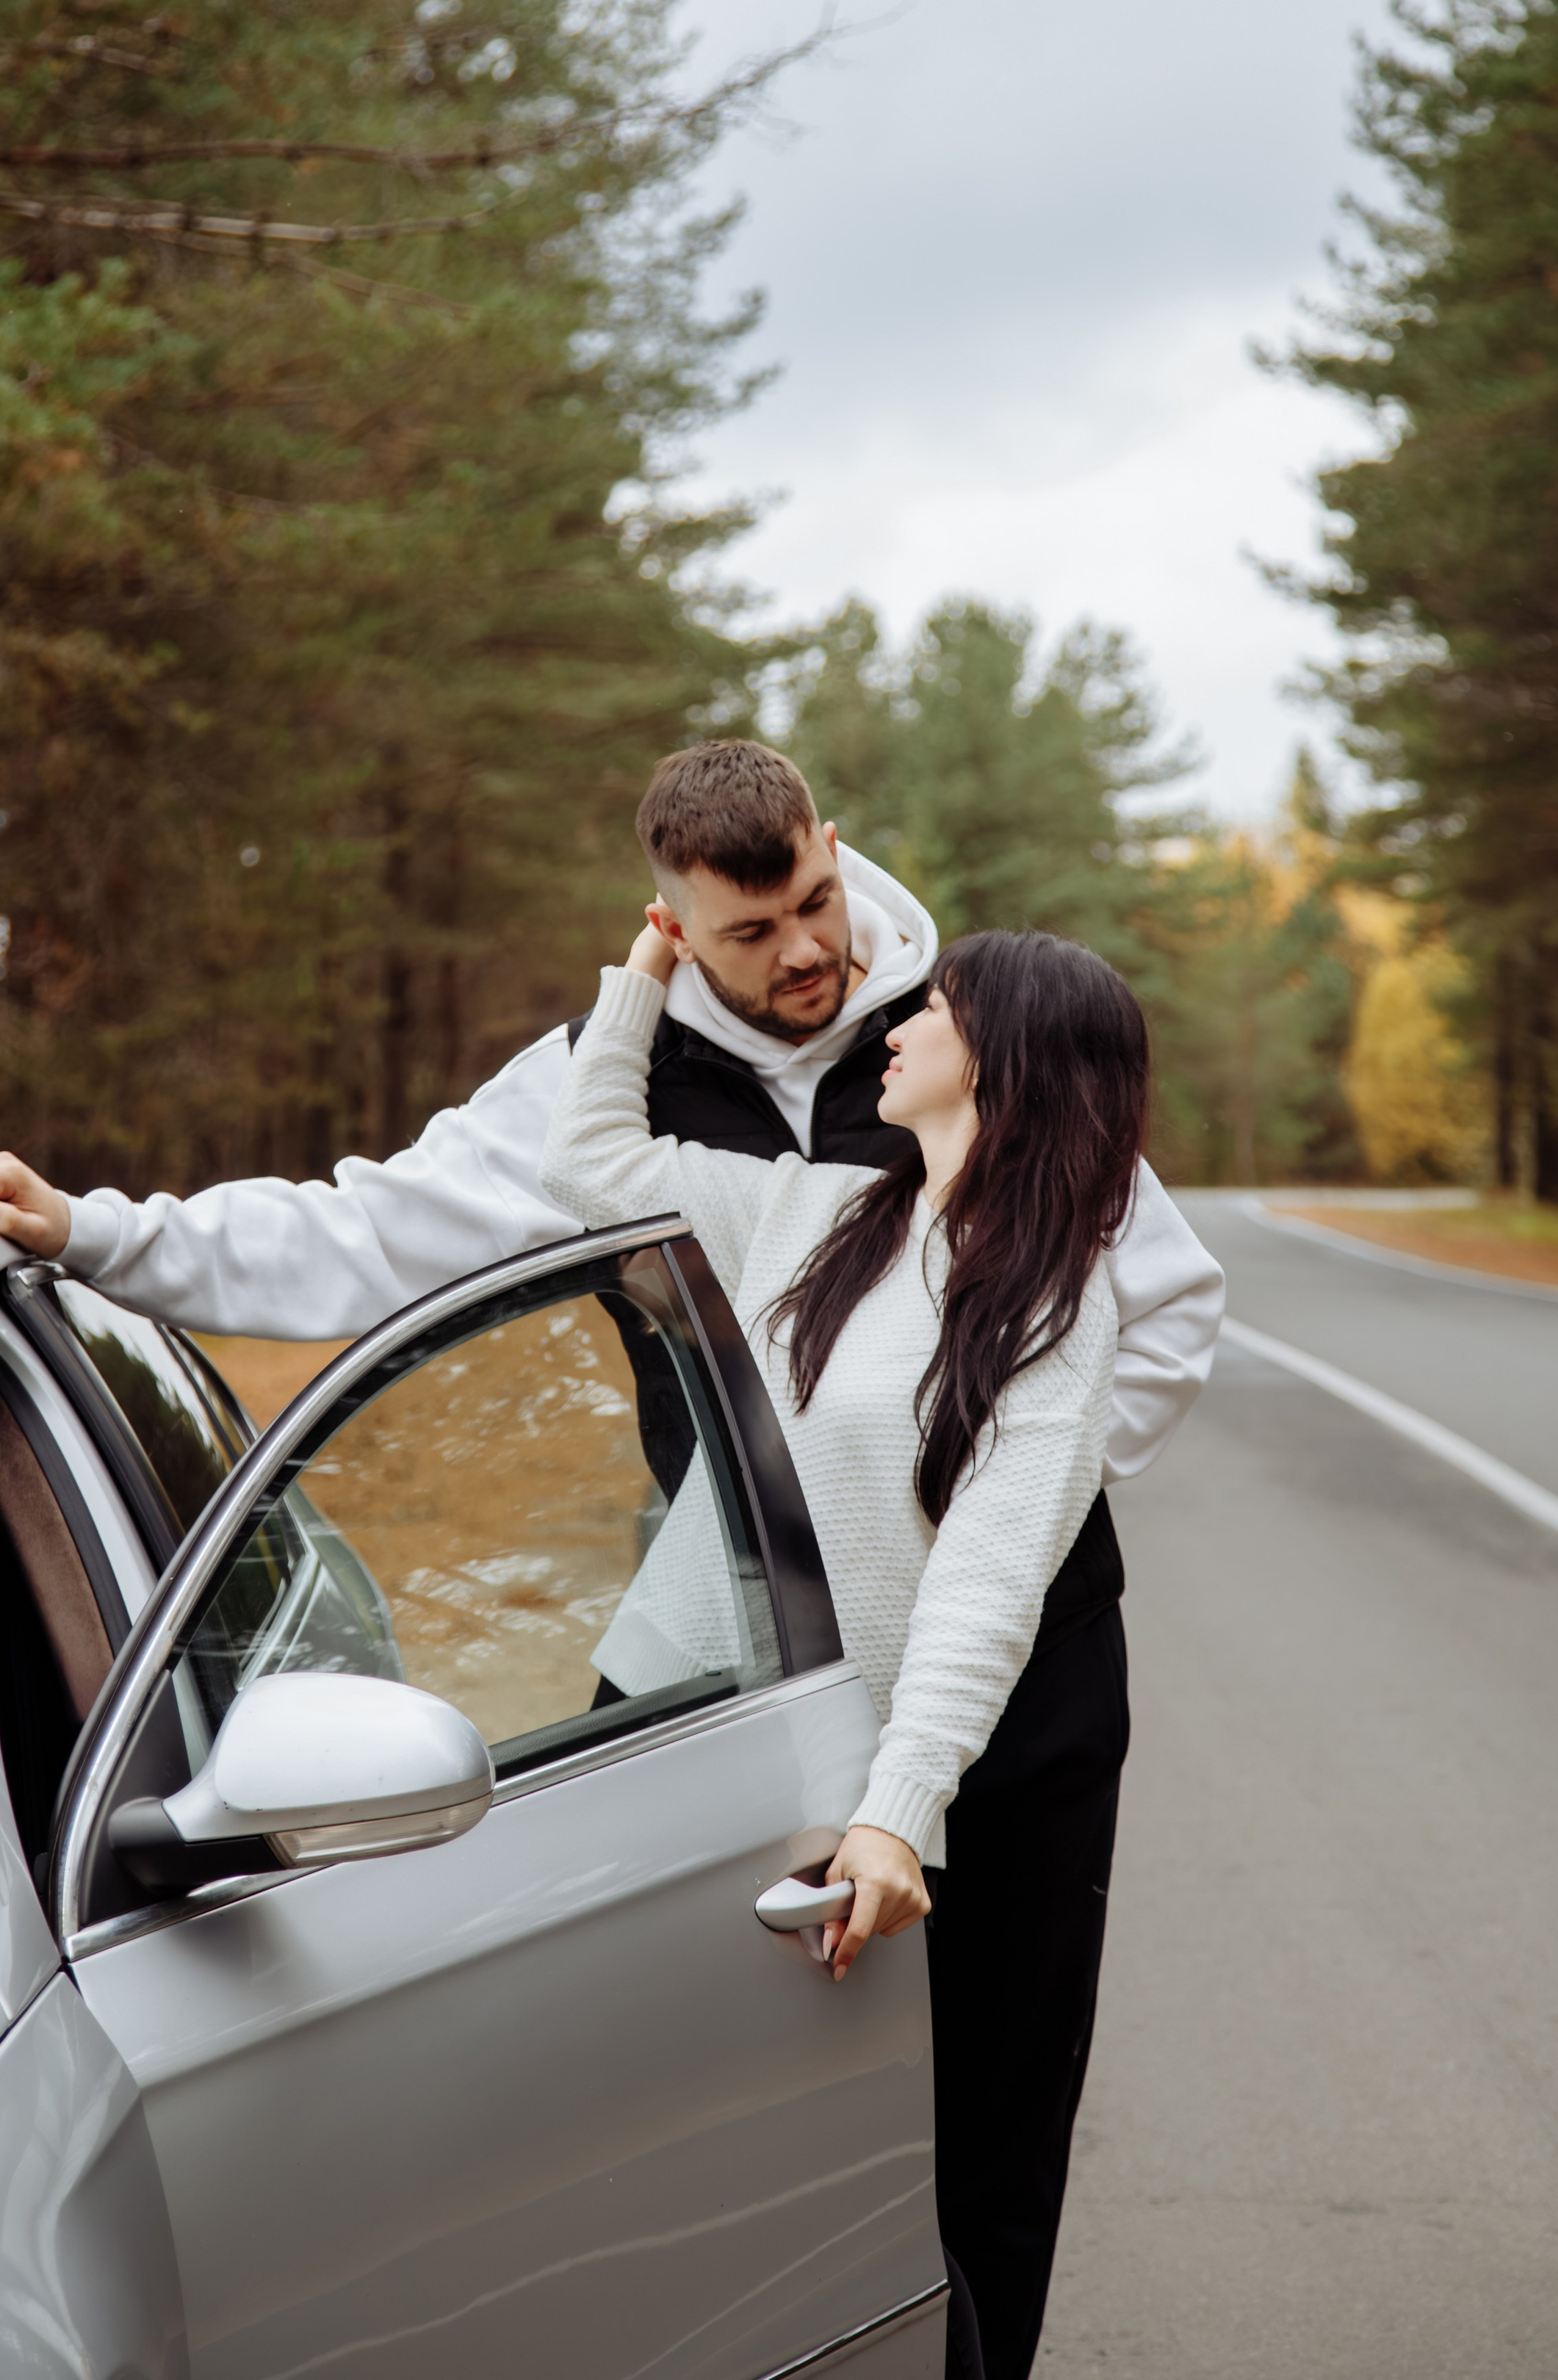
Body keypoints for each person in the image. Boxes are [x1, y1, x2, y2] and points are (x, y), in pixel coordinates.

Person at [0, 738, 1223, 2356]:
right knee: (753, 2096)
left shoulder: (970, 1042)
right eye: (752, 935)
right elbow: (364, 1234)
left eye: (816, 903)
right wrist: (104, 1234)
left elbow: (1160, 1307)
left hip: (1019, 1684)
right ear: (672, 926)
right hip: (750, 1654)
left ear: (835, 848)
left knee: (994, 2109)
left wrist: (968, 1497)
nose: (806, 952)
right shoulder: (598, 1089)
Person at [540, 906, 1155, 2380]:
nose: (890, 1030)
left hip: (966, 1772)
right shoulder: (825, 1211)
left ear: (996, 1059)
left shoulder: (1055, 1304)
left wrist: (897, 1807)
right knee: (735, 2129)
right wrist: (643, 972)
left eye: (926, 1010)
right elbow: (589, 1166)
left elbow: (986, 1582)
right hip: (773, 1733)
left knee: (974, 2151)